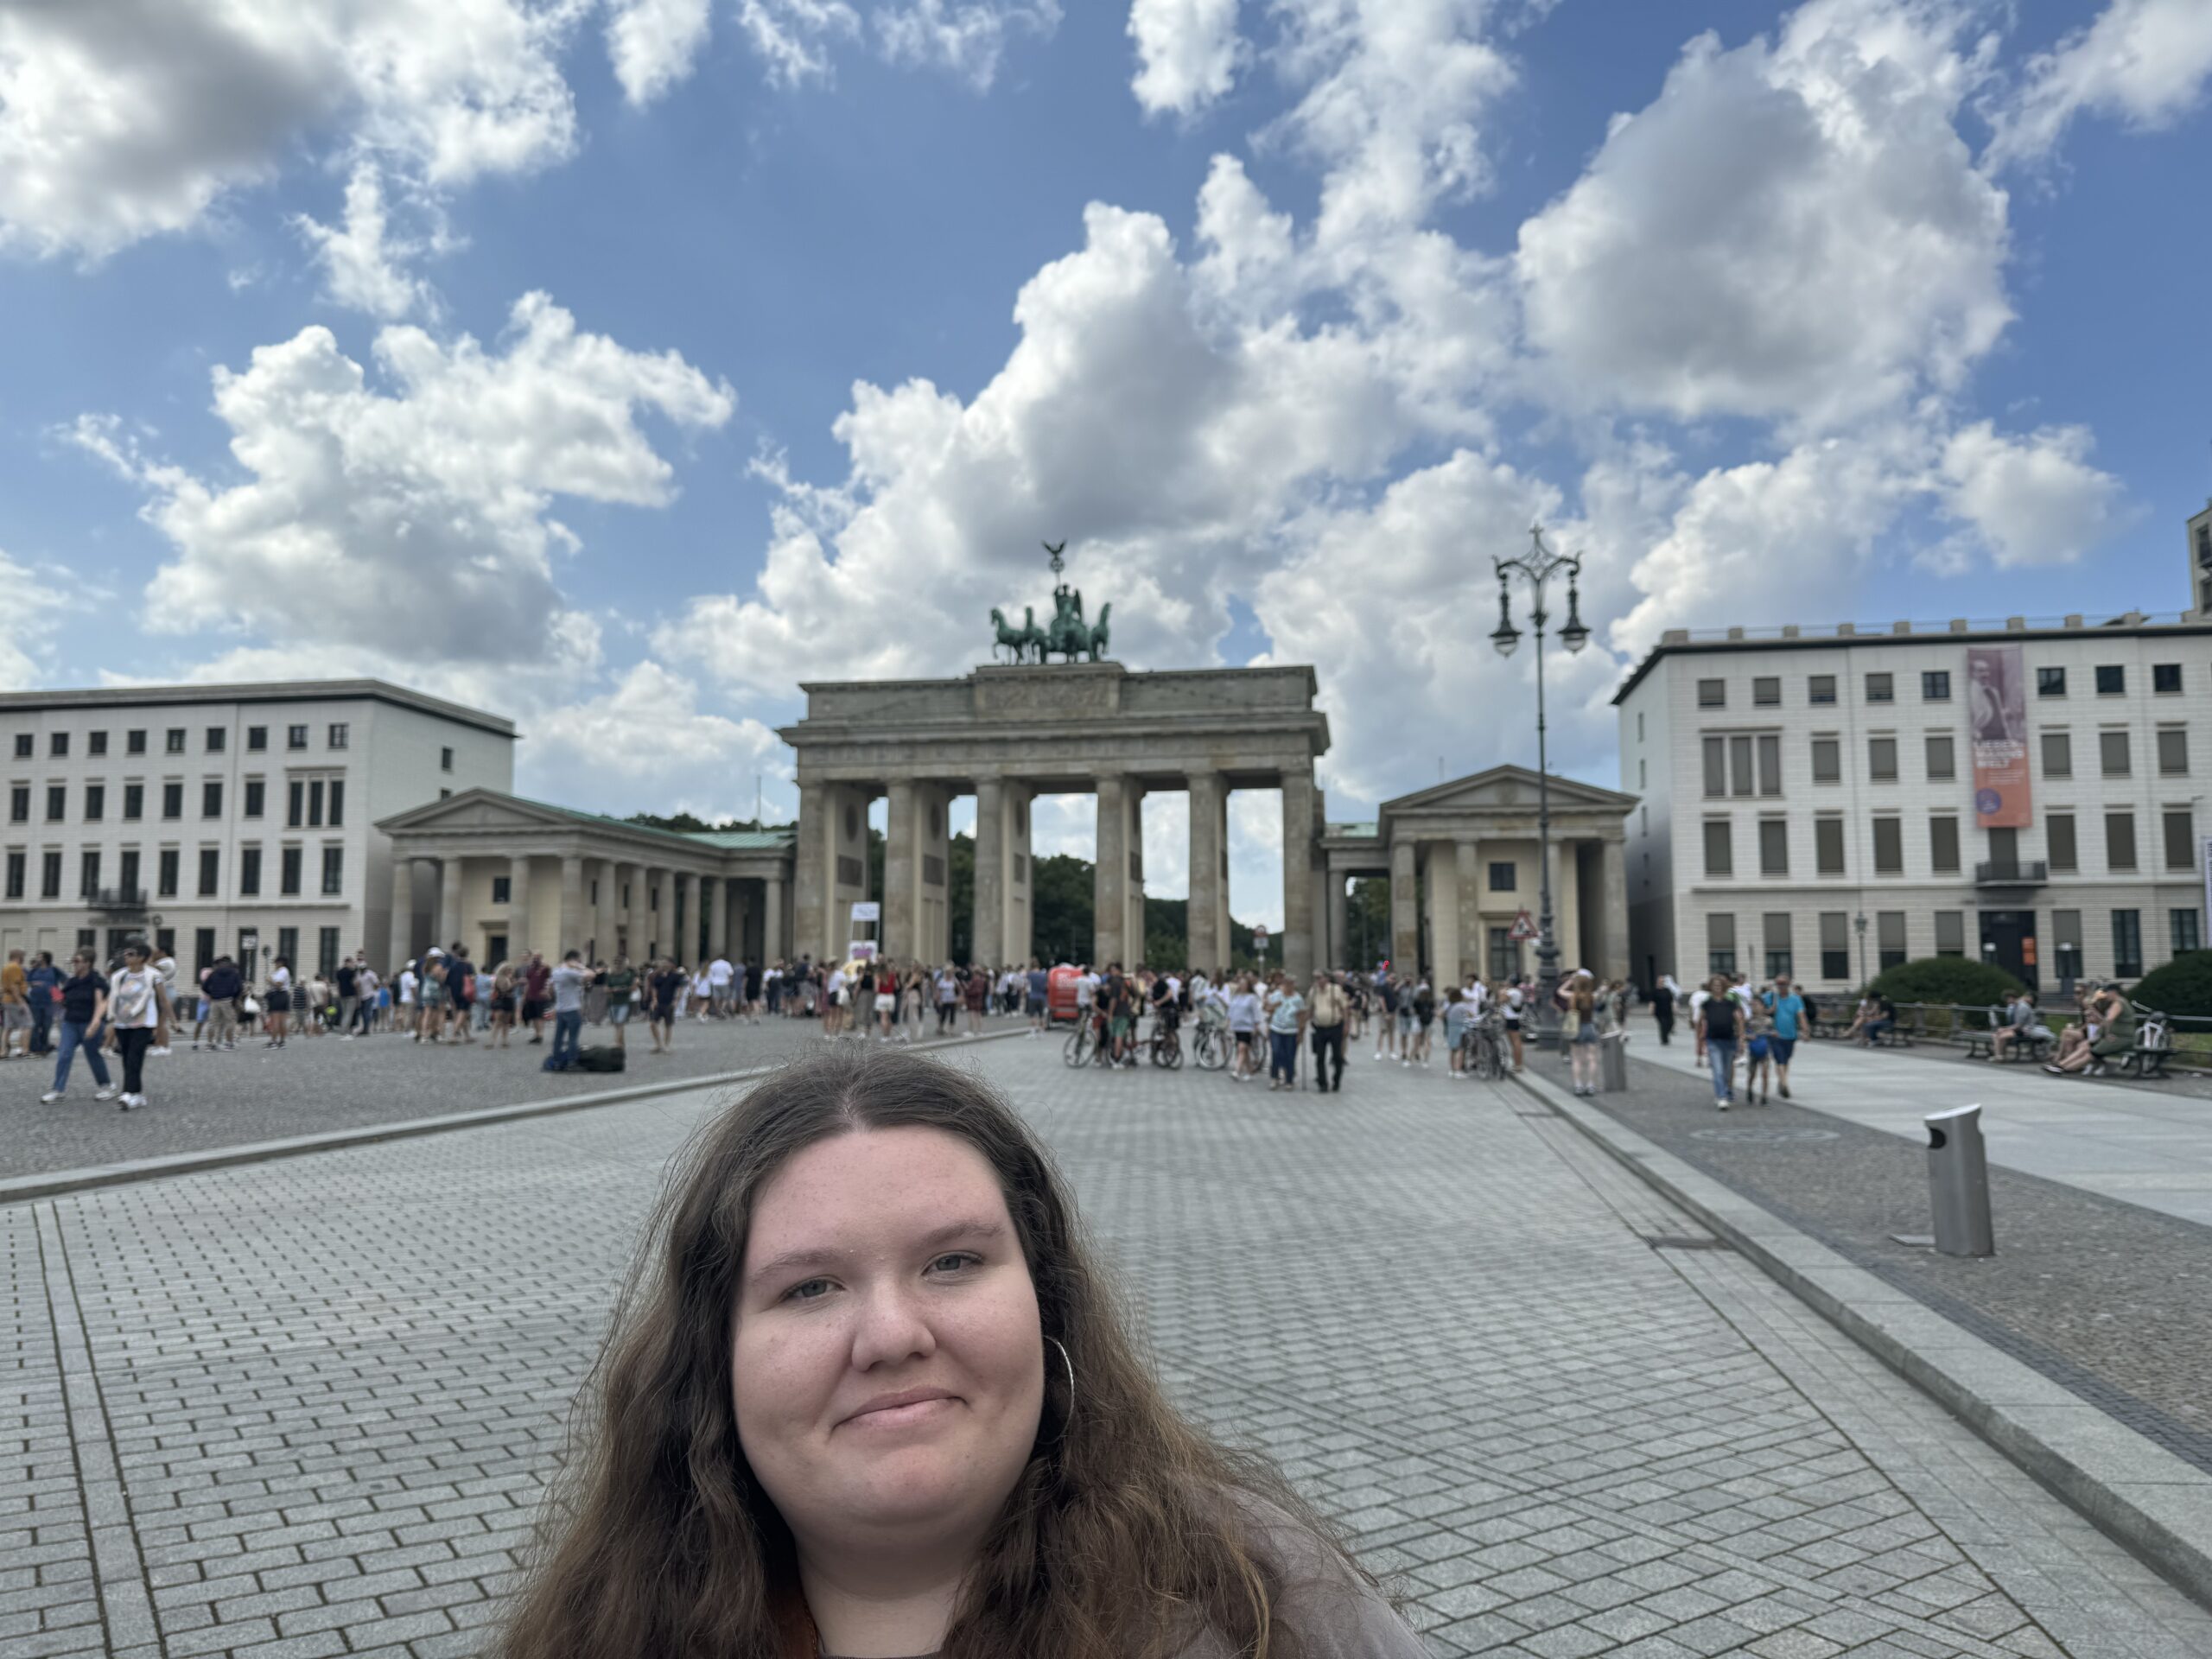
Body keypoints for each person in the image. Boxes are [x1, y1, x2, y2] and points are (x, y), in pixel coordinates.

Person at [499, 1044, 1425, 1659]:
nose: (894, 1335)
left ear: (1046, 1301)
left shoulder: (1269, 1605)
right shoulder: (601, 1631)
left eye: (953, 1261)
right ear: (713, 1356)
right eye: (808, 1287)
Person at [41, 950, 118, 1103]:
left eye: (77, 960)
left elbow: (101, 1003)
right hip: (71, 1022)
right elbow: (63, 999)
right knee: (64, 1054)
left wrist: (95, 1023)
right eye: (74, 960)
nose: (74, 963)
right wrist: (56, 995)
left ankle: (106, 1086)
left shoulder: (96, 981)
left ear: (87, 963)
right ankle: (58, 1090)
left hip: (89, 1022)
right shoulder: (72, 981)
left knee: (92, 1054)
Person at [104, 939, 171, 1111]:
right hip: (122, 1022)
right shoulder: (120, 975)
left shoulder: (154, 975)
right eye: (126, 953)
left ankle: (128, 1093)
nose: (126, 957)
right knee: (127, 1058)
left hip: (144, 1022)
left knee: (135, 1056)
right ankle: (137, 1094)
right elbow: (113, 997)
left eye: (131, 954)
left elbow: (163, 999)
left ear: (142, 958)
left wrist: (173, 1020)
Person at [1697, 974, 1738, 1110]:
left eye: (1720, 985)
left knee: (1727, 1071)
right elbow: (1700, 1020)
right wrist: (1699, 1037)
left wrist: (1742, 1036)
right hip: (1713, 1040)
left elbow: (1739, 1019)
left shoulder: (1730, 1003)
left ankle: (1726, 1090)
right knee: (1718, 1070)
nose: (1717, 988)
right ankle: (1722, 1097)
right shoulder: (1707, 1003)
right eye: (1715, 985)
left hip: (1729, 1039)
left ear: (1724, 988)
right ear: (1710, 987)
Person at [549, 950, 594, 1068]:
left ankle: (557, 1060)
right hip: (572, 1009)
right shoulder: (569, 972)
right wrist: (579, 966)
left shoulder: (557, 971)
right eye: (578, 960)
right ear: (573, 960)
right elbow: (591, 974)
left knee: (558, 1036)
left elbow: (552, 986)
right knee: (573, 1037)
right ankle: (571, 1062)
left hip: (560, 1008)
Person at [1763, 973, 1805, 1098]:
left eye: (1783, 984)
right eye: (1778, 984)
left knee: (1785, 1060)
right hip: (1774, 1033)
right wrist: (1771, 1008)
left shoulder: (1796, 999)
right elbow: (1760, 1012)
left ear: (1789, 984)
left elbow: (1801, 1015)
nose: (1781, 986)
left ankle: (1781, 1081)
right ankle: (1785, 1084)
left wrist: (1805, 1030)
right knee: (1779, 1058)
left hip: (1790, 1034)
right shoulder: (1769, 997)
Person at [1308, 969, 1347, 1093]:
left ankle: (1336, 1079)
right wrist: (1304, 1022)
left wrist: (1346, 1025)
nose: (1317, 981)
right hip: (1319, 1028)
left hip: (1335, 1026)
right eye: (1316, 978)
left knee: (1337, 1056)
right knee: (1320, 1057)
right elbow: (1310, 1008)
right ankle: (1322, 1083)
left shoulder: (1335, 989)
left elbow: (1344, 1008)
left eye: (1319, 978)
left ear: (1327, 978)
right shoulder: (1313, 991)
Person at [1267, 975, 1306, 1090]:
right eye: (1286, 983)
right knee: (1276, 1052)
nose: (1288, 986)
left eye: (1291, 983)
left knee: (1290, 1055)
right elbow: (1267, 1008)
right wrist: (1274, 1005)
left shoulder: (1298, 999)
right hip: (1276, 1028)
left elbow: (1301, 1016)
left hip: (1291, 1030)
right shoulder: (1277, 995)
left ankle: (1289, 1080)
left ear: (1294, 985)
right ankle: (1274, 1077)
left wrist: (1301, 1033)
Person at [1564, 978, 1599, 1096]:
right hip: (1590, 1027)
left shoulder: (1573, 996)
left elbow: (1560, 991)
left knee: (1576, 1059)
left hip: (1576, 1029)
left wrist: (1570, 982)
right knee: (1592, 1058)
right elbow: (1603, 992)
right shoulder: (1592, 996)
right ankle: (1591, 1085)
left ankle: (1578, 1085)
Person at [201, 956, 243, 1051]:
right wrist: (234, 997)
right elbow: (240, 988)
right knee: (230, 1022)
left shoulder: (214, 973)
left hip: (215, 1000)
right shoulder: (234, 973)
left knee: (212, 1022)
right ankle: (229, 1043)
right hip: (227, 1000)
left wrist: (212, 993)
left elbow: (205, 987)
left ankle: (210, 1043)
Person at [1227, 973, 1262, 1082]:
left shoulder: (1252, 998)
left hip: (1247, 1026)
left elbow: (1256, 1012)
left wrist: (1256, 1025)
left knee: (1241, 1048)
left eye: (1244, 984)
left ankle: (1237, 1071)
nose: (1242, 986)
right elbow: (1231, 1010)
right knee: (1244, 1050)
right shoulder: (1236, 997)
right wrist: (1228, 1022)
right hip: (1237, 1026)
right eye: (1240, 984)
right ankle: (1250, 1069)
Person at [648, 957, 684, 1052]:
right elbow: (654, 988)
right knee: (652, 1023)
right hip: (658, 1002)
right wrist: (654, 999)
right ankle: (658, 1044)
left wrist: (676, 1001)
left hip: (669, 1002)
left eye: (665, 963)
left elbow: (680, 989)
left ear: (671, 964)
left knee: (668, 1025)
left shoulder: (675, 976)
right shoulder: (658, 975)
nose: (663, 964)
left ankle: (666, 1045)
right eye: (662, 962)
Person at [603, 955, 638, 1050]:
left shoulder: (629, 975)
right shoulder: (611, 975)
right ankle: (621, 1043)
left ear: (624, 964)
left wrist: (623, 989)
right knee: (616, 1024)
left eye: (619, 962)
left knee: (620, 1022)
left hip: (624, 1002)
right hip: (613, 1002)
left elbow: (634, 987)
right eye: (616, 962)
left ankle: (616, 1043)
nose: (617, 964)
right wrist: (613, 990)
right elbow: (605, 989)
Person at [27, 950, 57, 1057]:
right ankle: (36, 1047)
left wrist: (58, 996)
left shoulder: (53, 969)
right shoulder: (34, 970)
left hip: (49, 1002)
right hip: (35, 1002)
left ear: (45, 958)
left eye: (39, 957)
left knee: (46, 1026)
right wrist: (34, 983)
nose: (37, 958)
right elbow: (27, 981)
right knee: (35, 1025)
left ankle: (44, 1047)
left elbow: (59, 982)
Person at [1, 947, 29, 1059]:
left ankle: (3, 1051)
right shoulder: (15, 967)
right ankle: (24, 1050)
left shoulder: (6, 967)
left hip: (7, 999)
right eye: (22, 957)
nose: (23, 959)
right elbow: (14, 986)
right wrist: (20, 1002)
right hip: (14, 1000)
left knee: (8, 1027)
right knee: (27, 1024)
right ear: (18, 957)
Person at [264, 956, 293, 1047]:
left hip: (278, 995)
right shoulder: (285, 971)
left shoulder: (282, 971)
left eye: (276, 963)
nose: (275, 965)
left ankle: (273, 1041)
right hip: (283, 996)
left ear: (280, 963)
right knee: (282, 1021)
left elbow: (278, 984)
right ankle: (282, 1041)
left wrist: (269, 980)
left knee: (275, 1020)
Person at [1652, 975, 1677, 1046]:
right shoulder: (1655, 991)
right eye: (1660, 981)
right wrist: (1651, 1010)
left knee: (1671, 1023)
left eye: (1663, 981)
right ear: (1657, 982)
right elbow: (1652, 1002)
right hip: (1659, 1011)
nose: (1661, 982)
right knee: (1663, 1025)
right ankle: (1664, 1040)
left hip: (1668, 1010)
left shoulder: (1667, 990)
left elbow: (1672, 1000)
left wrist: (1674, 1008)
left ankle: (1665, 1035)